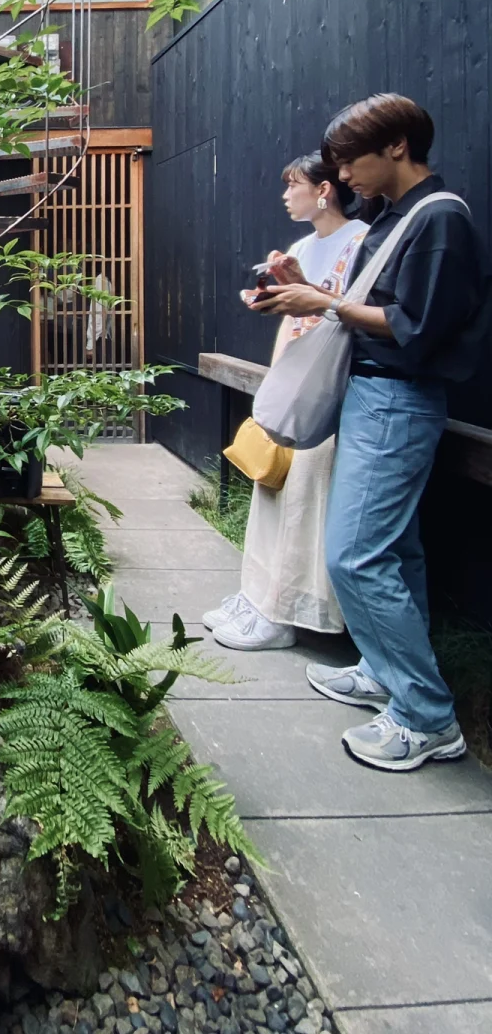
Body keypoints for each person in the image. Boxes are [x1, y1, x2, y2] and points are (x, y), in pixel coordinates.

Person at [250, 95, 492, 771]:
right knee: (396, 552)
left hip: (398, 400)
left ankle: (427, 715)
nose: (343, 175)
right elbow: (377, 306)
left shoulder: (439, 220)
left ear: (395, 148)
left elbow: (420, 325)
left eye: (350, 160)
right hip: (376, 396)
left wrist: (323, 302)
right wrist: (303, 286)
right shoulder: (399, 218)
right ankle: (387, 671)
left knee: (355, 556)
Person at [207, 154, 368, 650]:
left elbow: (343, 311)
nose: (284, 194)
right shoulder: (300, 245)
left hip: (323, 382)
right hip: (290, 374)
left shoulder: (360, 240)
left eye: (292, 185)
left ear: (324, 190)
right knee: (272, 486)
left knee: (306, 497)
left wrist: (304, 292)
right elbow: (298, 309)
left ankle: (287, 610)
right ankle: (257, 595)